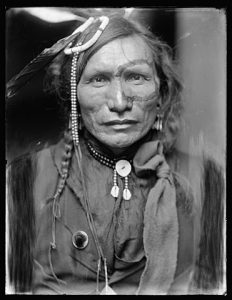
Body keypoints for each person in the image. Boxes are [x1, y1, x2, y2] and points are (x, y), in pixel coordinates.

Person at [6, 13, 224, 295]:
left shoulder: (207, 179)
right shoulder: (23, 179)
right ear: (73, 97)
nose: (119, 102)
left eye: (136, 77)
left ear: (162, 92)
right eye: (98, 79)